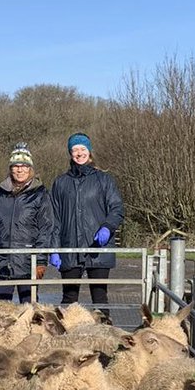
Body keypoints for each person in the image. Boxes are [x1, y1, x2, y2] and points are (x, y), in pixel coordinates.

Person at [0, 143, 60, 304]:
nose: (20, 170)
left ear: (30, 169)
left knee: (29, 312)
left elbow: (46, 229)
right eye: (16, 166)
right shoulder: (0, 194)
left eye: (24, 166)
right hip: (1, 262)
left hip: (28, 262)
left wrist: (40, 260)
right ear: (10, 168)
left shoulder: (40, 194)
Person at [50, 132, 124, 316]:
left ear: (89, 151)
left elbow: (116, 208)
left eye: (82, 149)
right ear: (70, 153)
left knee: (99, 298)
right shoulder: (60, 183)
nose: (79, 153)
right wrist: (54, 248)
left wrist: (107, 227)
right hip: (70, 248)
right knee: (69, 299)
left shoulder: (104, 180)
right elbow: (54, 218)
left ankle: (105, 339)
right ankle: (65, 340)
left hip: (97, 248)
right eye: (75, 149)